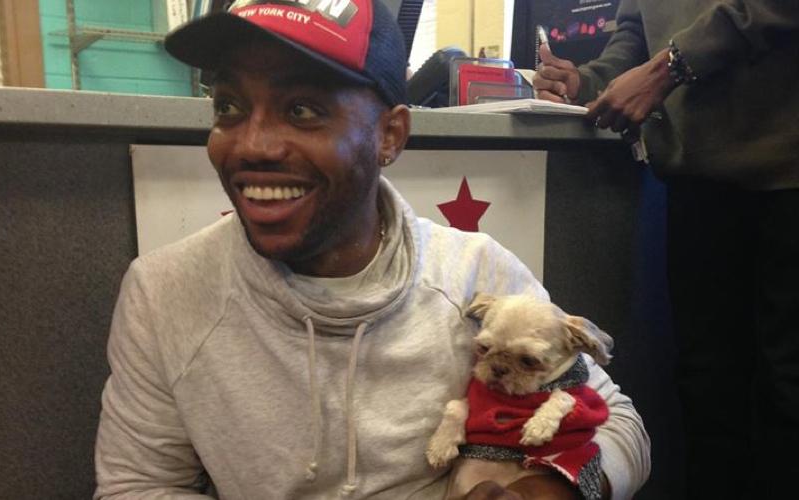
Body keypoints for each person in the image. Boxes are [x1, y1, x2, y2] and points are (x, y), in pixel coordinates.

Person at [94, 1, 650, 498]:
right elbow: (138, 485)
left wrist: (543, 491)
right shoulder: (163, 292)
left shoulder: (475, 271)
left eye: (302, 110)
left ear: (390, 135)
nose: (252, 144)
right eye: (229, 106)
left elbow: (619, 423)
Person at [533, 1, 799, 498]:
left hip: (787, 172)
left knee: (787, 390)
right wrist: (587, 82)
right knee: (706, 387)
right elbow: (638, 30)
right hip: (700, 176)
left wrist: (670, 66)